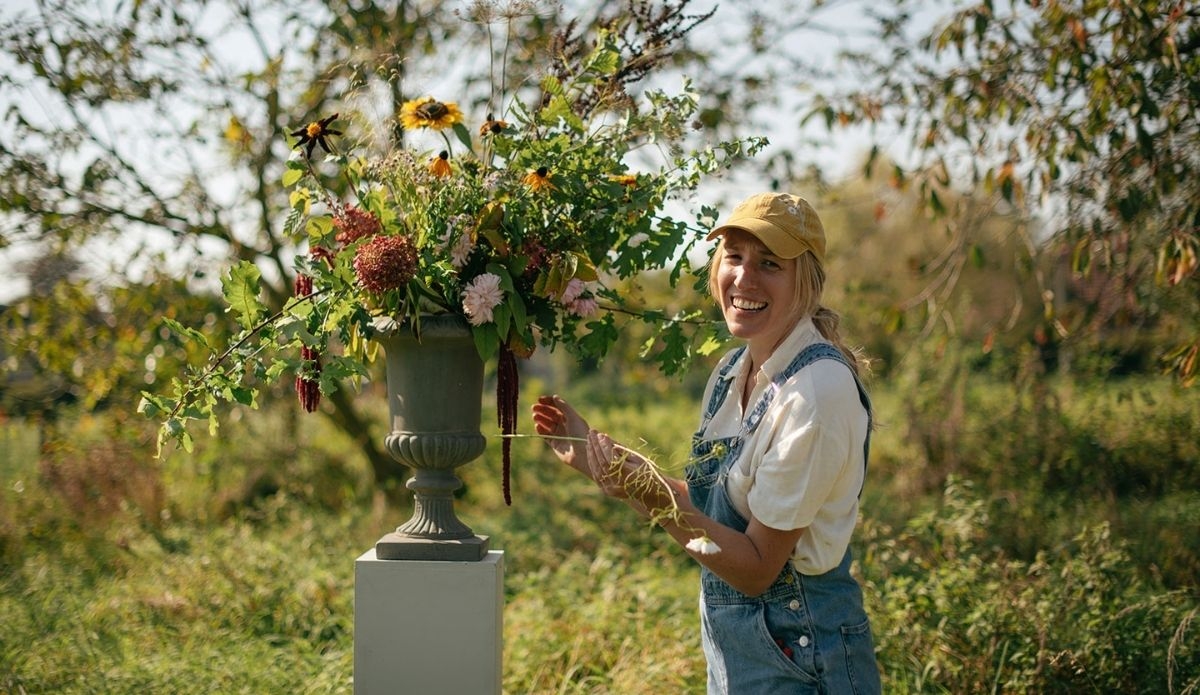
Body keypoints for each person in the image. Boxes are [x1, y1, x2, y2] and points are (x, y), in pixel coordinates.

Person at [531, 192, 882, 694]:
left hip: (804, 654)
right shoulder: (731, 373)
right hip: (740, 655)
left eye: (769, 263)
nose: (744, 277)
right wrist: (606, 465)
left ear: (806, 280)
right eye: (734, 257)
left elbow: (757, 570)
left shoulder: (816, 396)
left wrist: (653, 499)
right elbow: (711, 515)